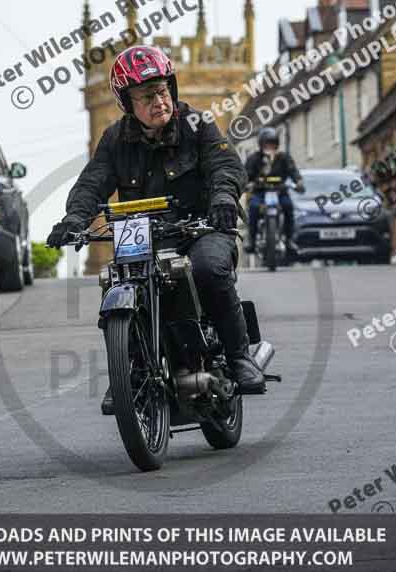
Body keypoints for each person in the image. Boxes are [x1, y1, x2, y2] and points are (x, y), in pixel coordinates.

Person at [47, 45, 265, 414]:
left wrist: (224, 200)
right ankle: (129, 371)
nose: (158, 101)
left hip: (203, 227)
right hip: (146, 232)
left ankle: (238, 355)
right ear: (127, 104)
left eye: (163, 91)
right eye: (147, 97)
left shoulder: (198, 125)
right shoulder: (115, 140)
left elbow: (225, 165)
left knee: (208, 269)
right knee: (119, 281)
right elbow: (92, 183)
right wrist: (73, 219)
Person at [245, 126, 305, 256]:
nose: (270, 146)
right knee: (254, 208)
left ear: (277, 144)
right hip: (259, 192)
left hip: (280, 192)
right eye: (267, 143)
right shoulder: (254, 158)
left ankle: (289, 240)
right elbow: (246, 174)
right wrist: (246, 184)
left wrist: (298, 181)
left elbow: (292, 171)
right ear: (261, 144)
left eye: (272, 143)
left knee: (288, 207)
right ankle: (252, 240)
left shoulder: (284, 157)